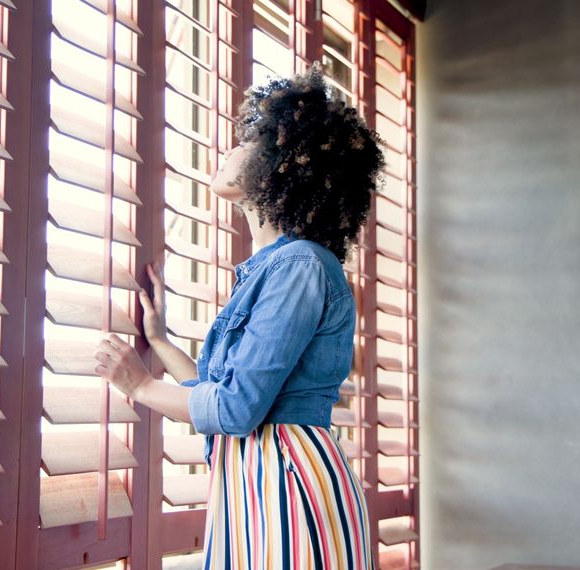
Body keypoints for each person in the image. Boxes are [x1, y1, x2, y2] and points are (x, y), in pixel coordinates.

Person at [93, 64, 385, 570]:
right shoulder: (275, 268)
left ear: (284, 165)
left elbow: (235, 409)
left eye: (251, 140)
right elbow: (221, 389)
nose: (231, 149)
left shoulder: (300, 266)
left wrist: (140, 387)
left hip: (286, 480)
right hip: (254, 478)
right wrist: (161, 343)